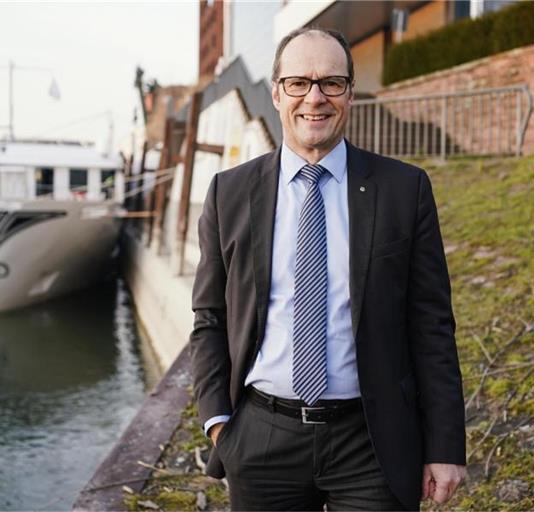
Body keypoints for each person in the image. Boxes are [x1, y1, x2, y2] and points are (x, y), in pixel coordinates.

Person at [189, 27, 466, 511]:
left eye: (331, 83)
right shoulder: (228, 194)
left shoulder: (404, 190)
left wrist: (444, 445)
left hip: (372, 441)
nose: (314, 98)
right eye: (298, 83)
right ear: (276, 93)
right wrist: (218, 421)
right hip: (261, 438)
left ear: (350, 94)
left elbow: (432, 325)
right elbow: (209, 317)